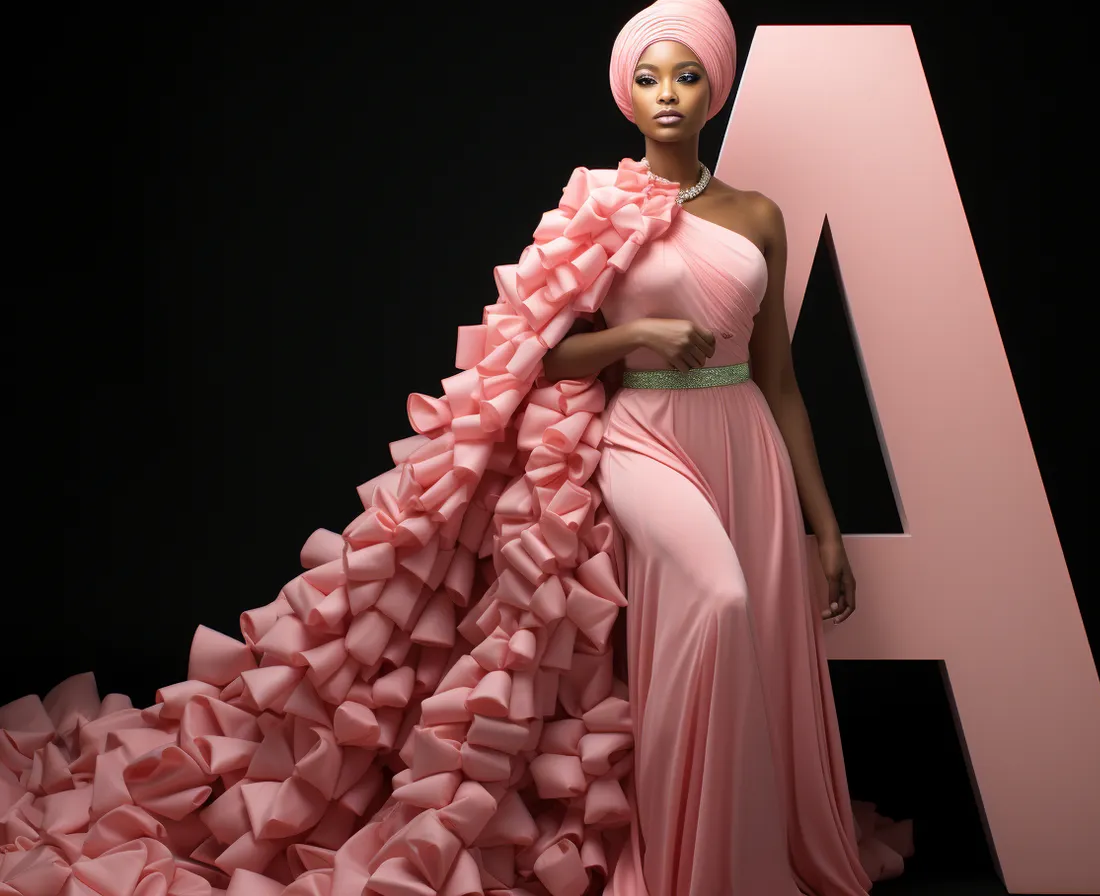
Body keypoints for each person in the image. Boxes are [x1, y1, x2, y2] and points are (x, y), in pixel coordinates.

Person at [0, 1, 911, 894]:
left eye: (687, 74)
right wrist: (637, 339)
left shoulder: (759, 215)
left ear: (715, 88)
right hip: (643, 436)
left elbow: (782, 380)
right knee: (716, 600)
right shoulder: (594, 201)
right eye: (648, 76)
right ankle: (700, 864)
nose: (667, 93)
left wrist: (825, 528)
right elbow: (539, 350)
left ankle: (746, 837)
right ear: (624, 96)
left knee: (748, 631)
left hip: (744, 436)